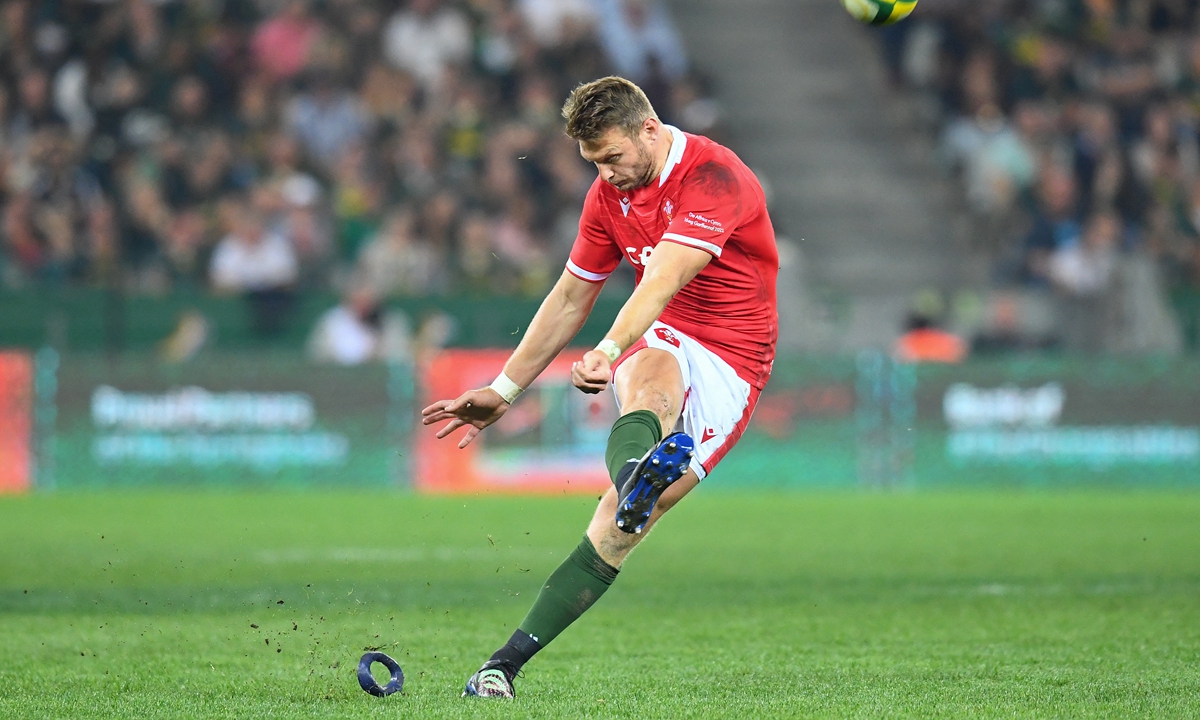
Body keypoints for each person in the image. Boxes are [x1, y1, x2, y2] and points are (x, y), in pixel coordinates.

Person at [421, 76, 778, 698]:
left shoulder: (715, 177)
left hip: (733, 355)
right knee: (650, 384)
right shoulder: (606, 195)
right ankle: (498, 669)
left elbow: (662, 277)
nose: (606, 175)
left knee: (622, 526)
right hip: (663, 330)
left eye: (612, 157)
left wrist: (607, 349)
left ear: (648, 129)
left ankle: (640, 483)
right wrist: (504, 390)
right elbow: (568, 297)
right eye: (594, 163)